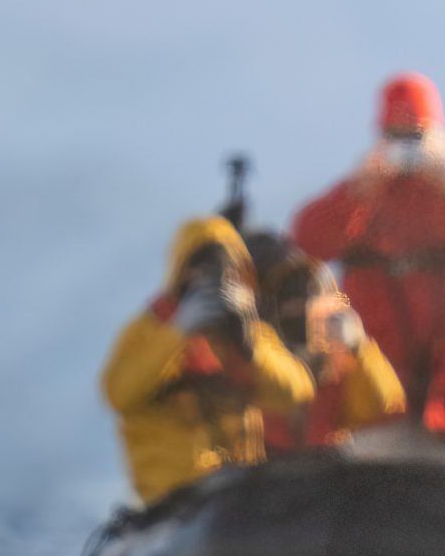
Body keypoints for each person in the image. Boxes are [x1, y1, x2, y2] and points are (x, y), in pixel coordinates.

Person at [291, 72, 445, 441]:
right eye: (394, 138)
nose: (405, 150)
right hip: (373, 386)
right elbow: (307, 240)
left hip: (444, 387)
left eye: (415, 137)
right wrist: (354, 191)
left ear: (438, 139)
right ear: (378, 140)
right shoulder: (362, 194)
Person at [101, 216, 316, 505]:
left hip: (238, 494)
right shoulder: (148, 330)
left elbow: (295, 393)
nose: (214, 283)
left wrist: (249, 348)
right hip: (171, 502)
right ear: (181, 274)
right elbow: (117, 394)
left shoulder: (251, 332)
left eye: (226, 273)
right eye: (202, 272)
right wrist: (177, 334)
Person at [245, 231, 407, 455]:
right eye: (284, 297)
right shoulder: (240, 356)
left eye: (305, 298)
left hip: (326, 478)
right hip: (254, 479)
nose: (299, 309)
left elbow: (381, 407)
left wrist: (359, 348)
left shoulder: (335, 355)